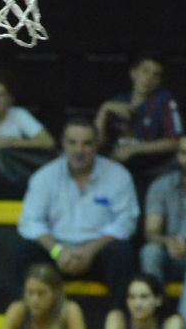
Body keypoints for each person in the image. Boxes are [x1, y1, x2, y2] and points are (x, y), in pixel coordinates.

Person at [15, 116, 139, 308]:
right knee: (24, 252)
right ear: (63, 144)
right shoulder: (44, 177)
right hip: (57, 253)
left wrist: (90, 251)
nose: (79, 150)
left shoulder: (118, 176)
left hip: (98, 253)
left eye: (86, 143)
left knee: (122, 253)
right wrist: (58, 251)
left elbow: (126, 221)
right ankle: (23, 317)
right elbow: (30, 222)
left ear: (97, 145)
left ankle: (119, 318)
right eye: (72, 143)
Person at [139, 134, 186, 329]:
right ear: (177, 156)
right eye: (184, 153)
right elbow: (151, 232)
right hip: (169, 253)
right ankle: (155, 320)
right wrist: (169, 242)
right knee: (150, 251)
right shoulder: (161, 185)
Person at [94, 54, 182, 172]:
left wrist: (134, 149)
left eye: (156, 75)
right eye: (145, 71)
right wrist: (104, 110)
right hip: (115, 166)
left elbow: (175, 142)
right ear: (133, 73)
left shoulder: (164, 100)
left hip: (151, 168)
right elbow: (97, 143)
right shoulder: (117, 101)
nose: (149, 79)